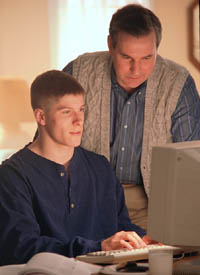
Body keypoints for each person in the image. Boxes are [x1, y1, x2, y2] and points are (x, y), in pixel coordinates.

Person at [63, 4, 200, 230]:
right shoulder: (78, 72)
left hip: (151, 205)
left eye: (147, 58)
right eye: (126, 57)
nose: (136, 70)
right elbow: (48, 142)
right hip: (83, 200)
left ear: (157, 48)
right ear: (110, 45)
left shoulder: (178, 82)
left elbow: (191, 160)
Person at [0, 70, 156, 266]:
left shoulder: (100, 167)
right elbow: (21, 248)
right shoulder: (12, 176)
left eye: (81, 110)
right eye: (66, 112)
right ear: (41, 116)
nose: (79, 120)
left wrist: (145, 241)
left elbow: (120, 226)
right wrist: (98, 247)